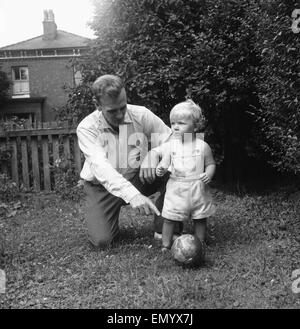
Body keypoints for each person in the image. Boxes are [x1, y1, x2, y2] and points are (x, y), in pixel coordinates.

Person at [76, 74, 181, 248]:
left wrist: (154, 153)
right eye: (112, 110)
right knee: (102, 241)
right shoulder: (87, 128)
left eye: (122, 107)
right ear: (97, 106)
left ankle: (164, 228)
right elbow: (102, 169)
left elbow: (174, 141)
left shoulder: (141, 114)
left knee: (174, 169)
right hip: (101, 187)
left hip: (138, 177)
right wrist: (133, 195)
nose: (119, 114)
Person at [153, 99, 216, 251]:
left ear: (195, 126)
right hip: (177, 188)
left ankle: (199, 243)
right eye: (173, 123)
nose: (175, 127)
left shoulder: (202, 146)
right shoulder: (172, 145)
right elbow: (165, 162)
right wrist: (160, 168)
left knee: (200, 218)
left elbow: (211, 163)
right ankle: (166, 244)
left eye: (181, 123)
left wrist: (209, 173)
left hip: (197, 188)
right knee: (169, 218)